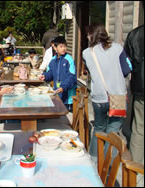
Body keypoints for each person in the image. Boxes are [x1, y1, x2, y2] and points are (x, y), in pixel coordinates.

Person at [82, 23, 132, 163]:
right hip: (118, 96)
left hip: (99, 98)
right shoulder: (118, 48)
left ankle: (93, 161)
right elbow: (127, 69)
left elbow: (91, 72)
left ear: (92, 34)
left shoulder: (86, 53)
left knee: (98, 129)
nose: (87, 36)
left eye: (88, 33)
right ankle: (106, 166)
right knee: (112, 132)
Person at [39, 36, 77, 112]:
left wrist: (63, 87)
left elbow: (72, 77)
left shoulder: (69, 59)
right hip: (57, 93)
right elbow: (50, 73)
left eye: (65, 46)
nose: (64, 48)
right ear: (55, 48)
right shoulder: (53, 60)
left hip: (68, 96)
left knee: (66, 116)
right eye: (61, 46)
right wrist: (45, 76)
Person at [124, 24, 144, 164]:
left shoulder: (134, 34)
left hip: (140, 87)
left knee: (139, 129)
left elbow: (126, 65)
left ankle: (135, 174)